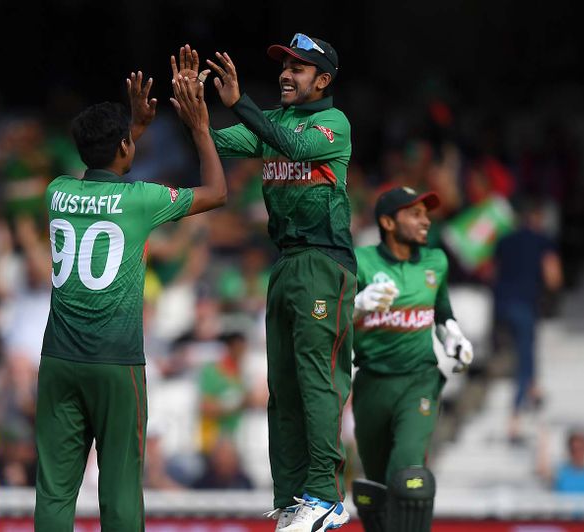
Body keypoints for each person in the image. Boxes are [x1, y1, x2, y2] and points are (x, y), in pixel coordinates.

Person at [173, 33, 355, 530]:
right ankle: (295, 498)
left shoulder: (333, 123)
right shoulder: (272, 122)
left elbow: (294, 146)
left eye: (298, 68)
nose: (286, 74)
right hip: (286, 262)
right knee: (284, 386)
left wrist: (239, 103)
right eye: (284, 66)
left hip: (324, 261)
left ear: (323, 79)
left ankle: (326, 497)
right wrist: (193, 111)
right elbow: (217, 144)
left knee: (317, 379)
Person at [33, 71, 227, 531]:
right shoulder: (141, 199)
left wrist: (130, 130)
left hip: (59, 360)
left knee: (55, 490)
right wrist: (200, 127)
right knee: (119, 486)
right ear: (124, 147)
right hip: (116, 363)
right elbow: (218, 193)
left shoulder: (57, 192)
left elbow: (101, 165)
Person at [349, 187, 474, 532]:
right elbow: (327, 320)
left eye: (426, 214)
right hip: (372, 383)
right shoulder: (359, 261)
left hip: (419, 380)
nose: (425, 221)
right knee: (375, 491)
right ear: (388, 222)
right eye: (414, 214)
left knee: (408, 477)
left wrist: (455, 338)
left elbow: (442, 313)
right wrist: (357, 304)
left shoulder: (436, 261)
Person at [492, 198, 563, 443]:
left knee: (524, 354)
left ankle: (533, 390)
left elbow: (493, 270)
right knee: (525, 359)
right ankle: (515, 419)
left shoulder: (504, 240)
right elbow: (553, 276)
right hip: (525, 304)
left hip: (502, 306)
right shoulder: (542, 241)